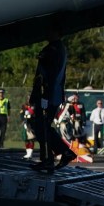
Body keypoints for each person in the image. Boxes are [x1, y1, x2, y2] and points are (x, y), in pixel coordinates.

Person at [28, 31, 76, 173]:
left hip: (48, 95)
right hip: (51, 94)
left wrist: (44, 95)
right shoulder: (59, 48)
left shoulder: (53, 50)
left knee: (42, 127)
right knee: (42, 127)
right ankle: (56, 156)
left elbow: (47, 76)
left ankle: (50, 159)